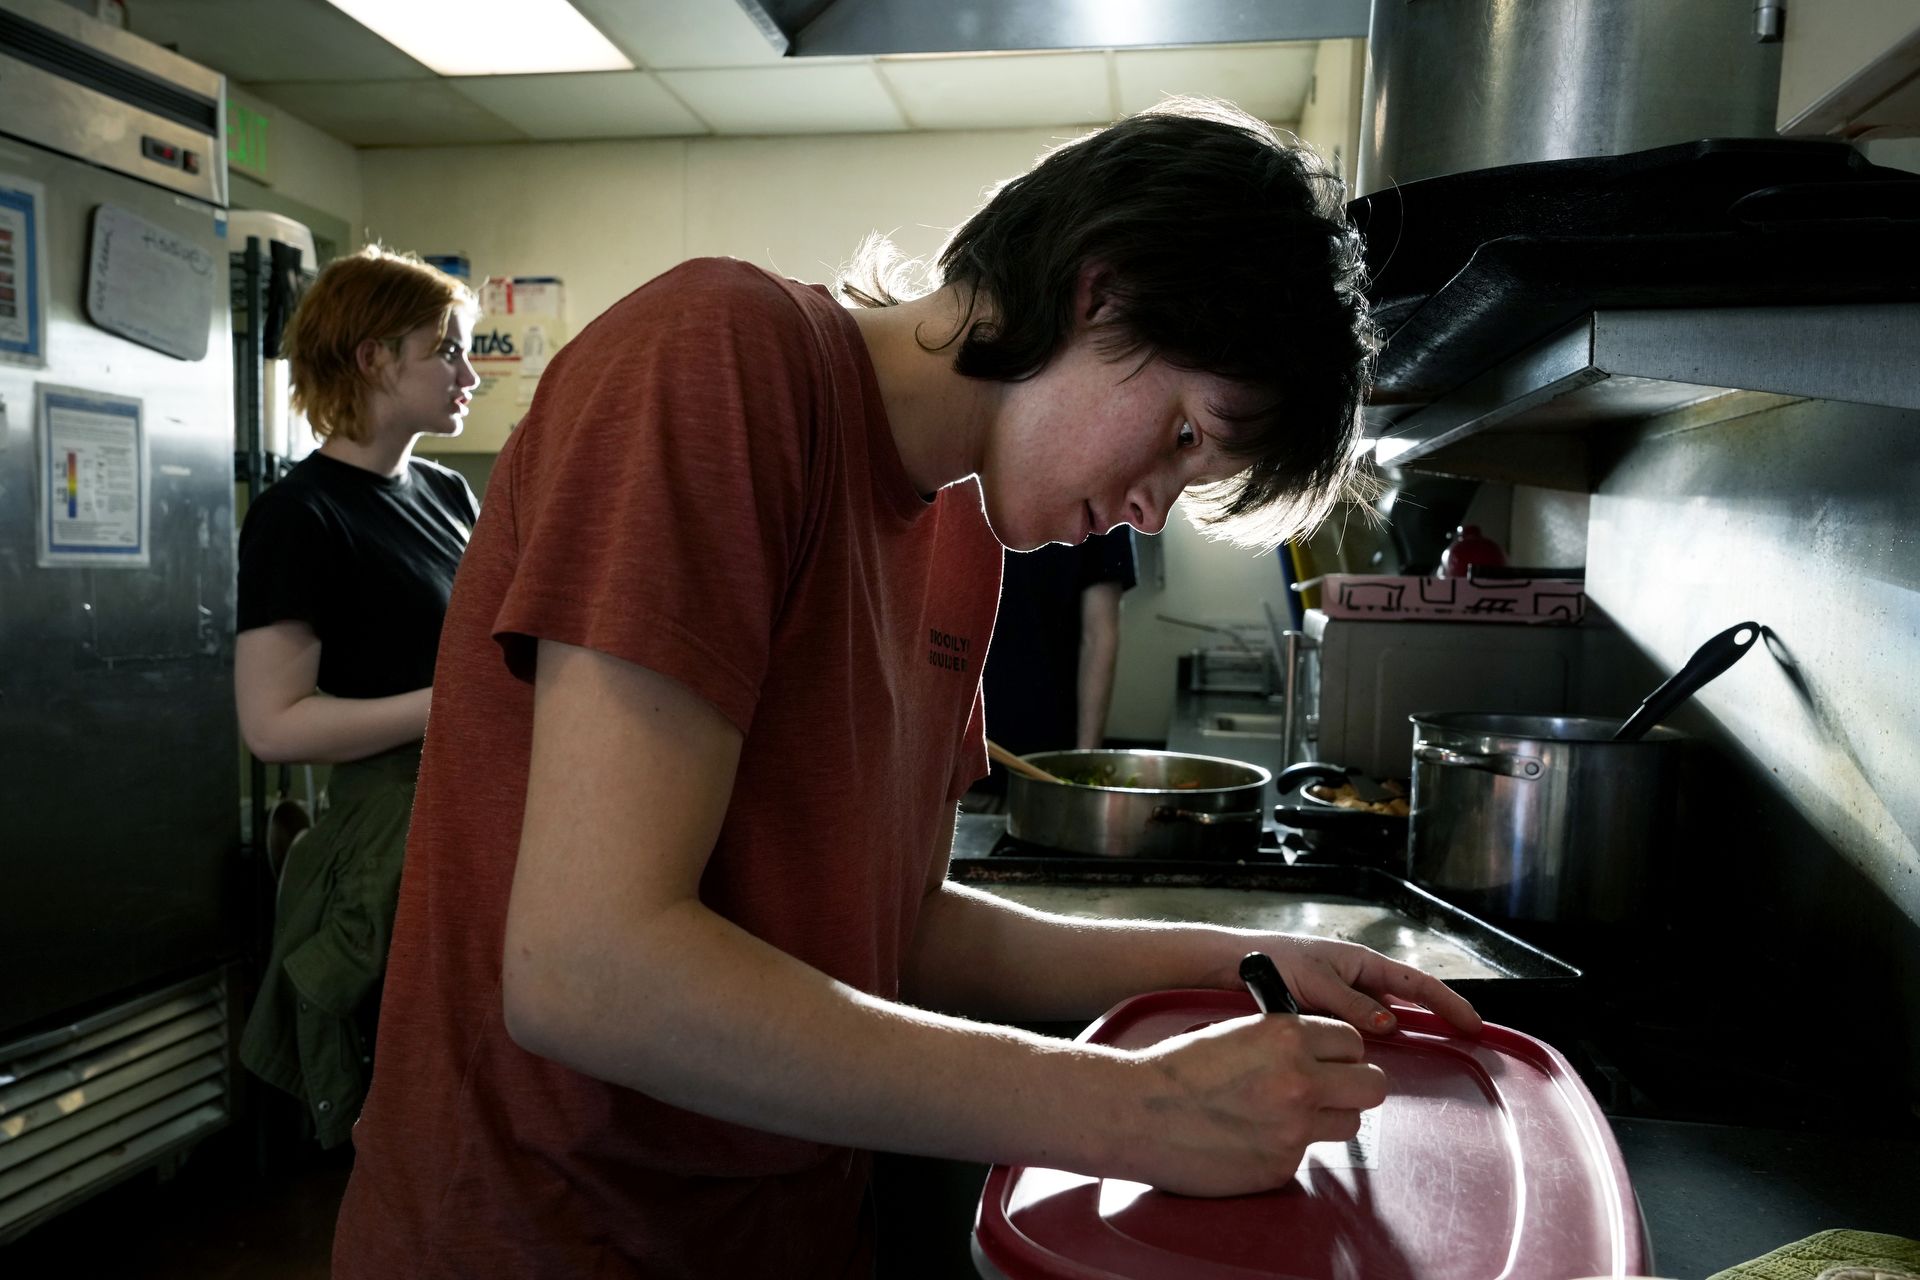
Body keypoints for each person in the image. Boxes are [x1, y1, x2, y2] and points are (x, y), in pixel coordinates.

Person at [331, 99, 1481, 1278]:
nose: (1154, 506)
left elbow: (903, 924)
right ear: (1100, 292)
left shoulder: (962, 528)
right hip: (548, 1234)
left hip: (783, 1226)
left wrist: (1228, 959)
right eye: (1186, 435)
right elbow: (587, 969)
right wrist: (1142, 1107)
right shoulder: (720, 357)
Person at [233, 246, 480, 1148]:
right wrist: (454, 700)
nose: (469, 374)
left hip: (461, 815)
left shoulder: (447, 492)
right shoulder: (299, 515)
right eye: (445, 349)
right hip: (386, 837)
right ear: (374, 357)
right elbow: (272, 725)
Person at [967, 526, 1137, 812]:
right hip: (958, 757)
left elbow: (1099, 638)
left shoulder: (1106, 501)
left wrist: (1082, 766)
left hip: (1048, 766)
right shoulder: (958, 488)